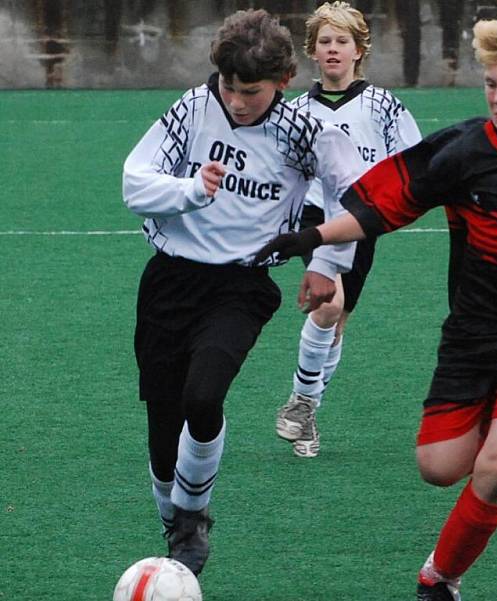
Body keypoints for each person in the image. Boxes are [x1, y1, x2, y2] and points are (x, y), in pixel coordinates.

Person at [255, 5, 497, 599]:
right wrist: (312, 239)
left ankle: (440, 577)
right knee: (438, 468)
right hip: (476, 333)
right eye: (491, 84)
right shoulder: (462, 148)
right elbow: (382, 204)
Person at [122, 8, 362, 576]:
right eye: (229, 86)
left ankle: (192, 521)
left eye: (250, 91)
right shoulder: (193, 107)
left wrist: (326, 261)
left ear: (282, 82)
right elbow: (134, 179)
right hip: (169, 280)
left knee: (202, 398)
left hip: (241, 286)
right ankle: (174, 524)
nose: (236, 100)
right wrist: (188, 191)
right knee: (163, 426)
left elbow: (352, 192)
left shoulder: (306, 129)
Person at [274, 1, 422, 458]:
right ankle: (301, 400)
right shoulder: (296, 110)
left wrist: (399, 202)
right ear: (312, 52)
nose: (333, 50)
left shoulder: (382, 105)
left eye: (342, 41)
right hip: (317, 219)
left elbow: (412, 159)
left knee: (338, 323)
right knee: (328, 302)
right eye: (325, 42)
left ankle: (308, 408)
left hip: (363, 219)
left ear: (359, 50)